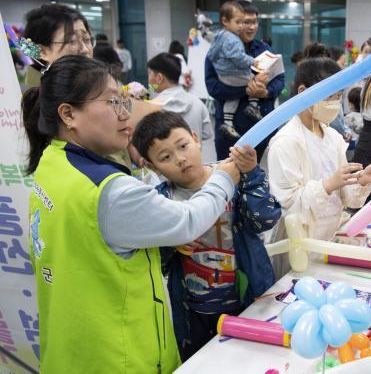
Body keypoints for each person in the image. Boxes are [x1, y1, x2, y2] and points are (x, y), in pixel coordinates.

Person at [22, 55, 241, 372]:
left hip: (70, 351)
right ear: (68, 114)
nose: (125, 114)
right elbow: (187, 221)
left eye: (123, 100)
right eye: (112, 102)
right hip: (119, 357)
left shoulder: (51, 165)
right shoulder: (109, 190)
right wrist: (224, 178)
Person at [131, 111, 281, 360]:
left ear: (195, 138)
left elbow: (265, 220)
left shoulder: (233, 176)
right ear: (151, 166)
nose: (180, 159)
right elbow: (157, 262)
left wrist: (253, 174)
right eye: (166, 157)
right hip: (193, 311)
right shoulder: (161, 201)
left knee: (250, 360)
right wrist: (172, 244)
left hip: (247, 298)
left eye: (183, 146)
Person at [267, 57, 371, 277]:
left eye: (338, 97)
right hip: (298, 246)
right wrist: (327, 185)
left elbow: (349, 199)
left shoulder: (332, 137)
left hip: (329, 240)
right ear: (303, 91)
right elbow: (290, 209)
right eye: (329, 97)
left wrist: (360, 181)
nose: (335, 104)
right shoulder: (286, 142)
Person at [206, 0, 285, 162]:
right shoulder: (218, 51)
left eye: (254, 22)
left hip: (261, 126)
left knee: (254, 172)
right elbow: (213, 88)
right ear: (230, 23)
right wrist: (246, 90)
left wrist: (265, 92)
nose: (251, 27)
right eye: (245, 22)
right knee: (228, 176)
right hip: (230, 131)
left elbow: (280, 80)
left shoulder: (263, 49)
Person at [206, 1, 263, 140]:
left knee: (232, 99)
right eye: (241, 22)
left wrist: (267, 92)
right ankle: (253, 105)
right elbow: (238, 57)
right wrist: (252, 62)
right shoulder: (233, 40)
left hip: (224, 77)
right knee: (254, 78)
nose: (246, 26)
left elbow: (211, 55)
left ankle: (228, 123)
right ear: (225, 21)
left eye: (254, 22)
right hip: (233, 76)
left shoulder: (219, 36)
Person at [148, 53, 215, 163]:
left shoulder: (151, 107)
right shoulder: (197, 103)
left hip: (165, 173)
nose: (149, 79)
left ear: (159, 78)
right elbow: (207, 134)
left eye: (150, 73)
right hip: (195, 167)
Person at [22, 4, 94, 87]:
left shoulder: (101, 86)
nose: (85, 50)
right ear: (42, 51)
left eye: (87, 39)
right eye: (72, 41)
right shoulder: (28, 96)